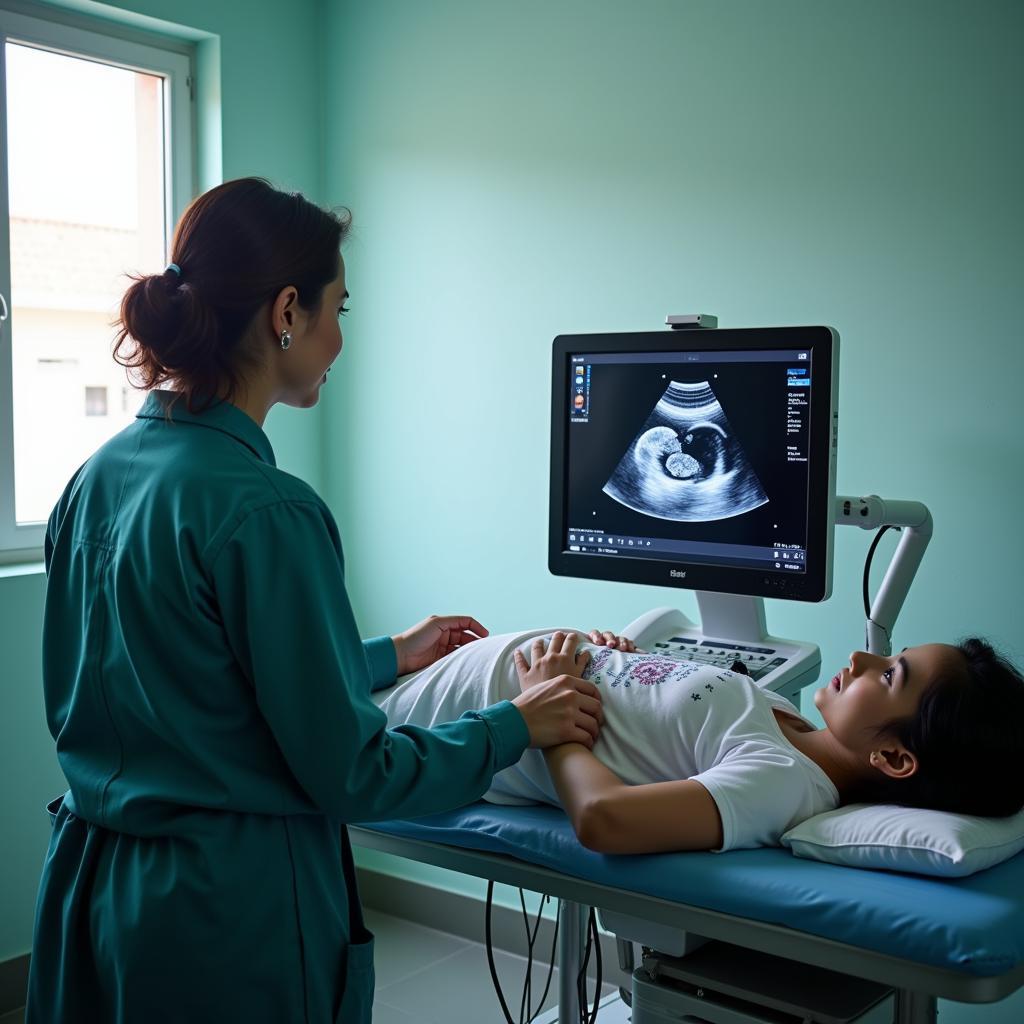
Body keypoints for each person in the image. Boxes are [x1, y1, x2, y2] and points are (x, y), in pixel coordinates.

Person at [26, 178, 604, 1024]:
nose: (338, 340)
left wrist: (384, 657)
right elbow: (354, 776)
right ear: (286, 311)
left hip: (94, 894)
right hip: (225, 918)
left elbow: (184, 675)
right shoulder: (269, 511)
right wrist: (517, 720)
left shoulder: (98, 478)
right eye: (339, 308)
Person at [374, 628, 1024, 854]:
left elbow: (604, 821)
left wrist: (552, 718)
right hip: (456, 671)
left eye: (891, 675)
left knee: (285, 706)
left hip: (444, 719)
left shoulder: (783, 782)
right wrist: (614, 656)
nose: (861, 657)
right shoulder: (786, 721)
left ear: (894, 758)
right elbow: (653, 712)